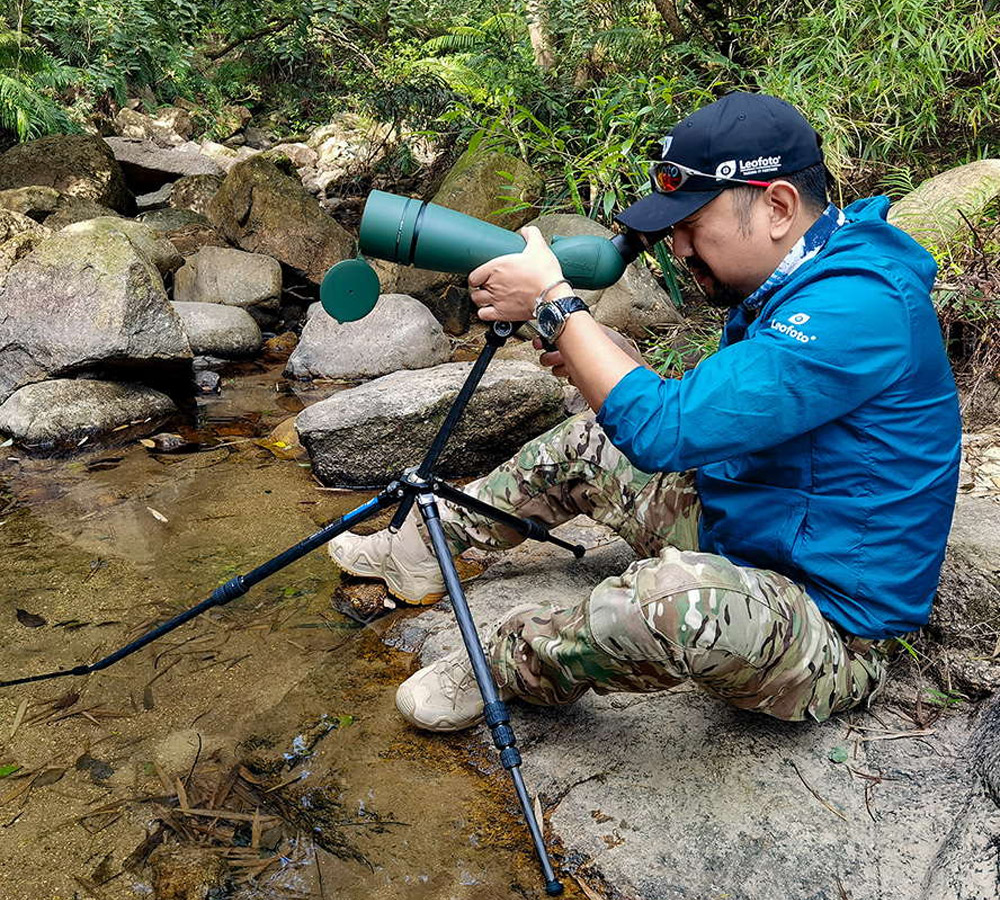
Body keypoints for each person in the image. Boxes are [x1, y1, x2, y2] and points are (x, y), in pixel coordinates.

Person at [330, 92, 962, 733]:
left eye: (693, 224)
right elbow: (729, 411)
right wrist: (604, 359)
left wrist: (555, 304)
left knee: (677, 601)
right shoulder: (800, 277)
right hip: (740, 529)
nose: (680, 248)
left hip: (827, 627)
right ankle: (416, 553)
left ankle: (503, 664)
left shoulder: (860, 305)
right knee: (589, 439)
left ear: (776, 206)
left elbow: (667, 431)